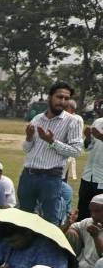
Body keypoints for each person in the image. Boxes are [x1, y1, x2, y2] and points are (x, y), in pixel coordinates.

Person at [19, 81, 84, 225]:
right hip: (28, 174)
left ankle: (49, 247)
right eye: (59, 97)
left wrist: (52, 142)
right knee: (24, 217)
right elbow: (27, 149)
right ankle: (27, 247)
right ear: (50, 97)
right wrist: (29, 137)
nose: (62, 101)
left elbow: (77, 151)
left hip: (50, 177)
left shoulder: (72, 122)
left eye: (66, 99)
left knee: (50, 220)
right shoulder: (37, 119)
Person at [68, 193, 103, 268]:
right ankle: (70, 267)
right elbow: (64, 232)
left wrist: (96, 237)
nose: (93, 215)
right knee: (70, 233)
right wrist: (68, 223)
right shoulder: (88, 222)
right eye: (91, 211)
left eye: (97, 211)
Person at [79, 114, 103, 220]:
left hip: (102, 179)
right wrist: (88, 137)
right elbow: (88, 148)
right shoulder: (98, 122)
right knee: (83, 211)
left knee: (100, 215)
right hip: (88, 176)